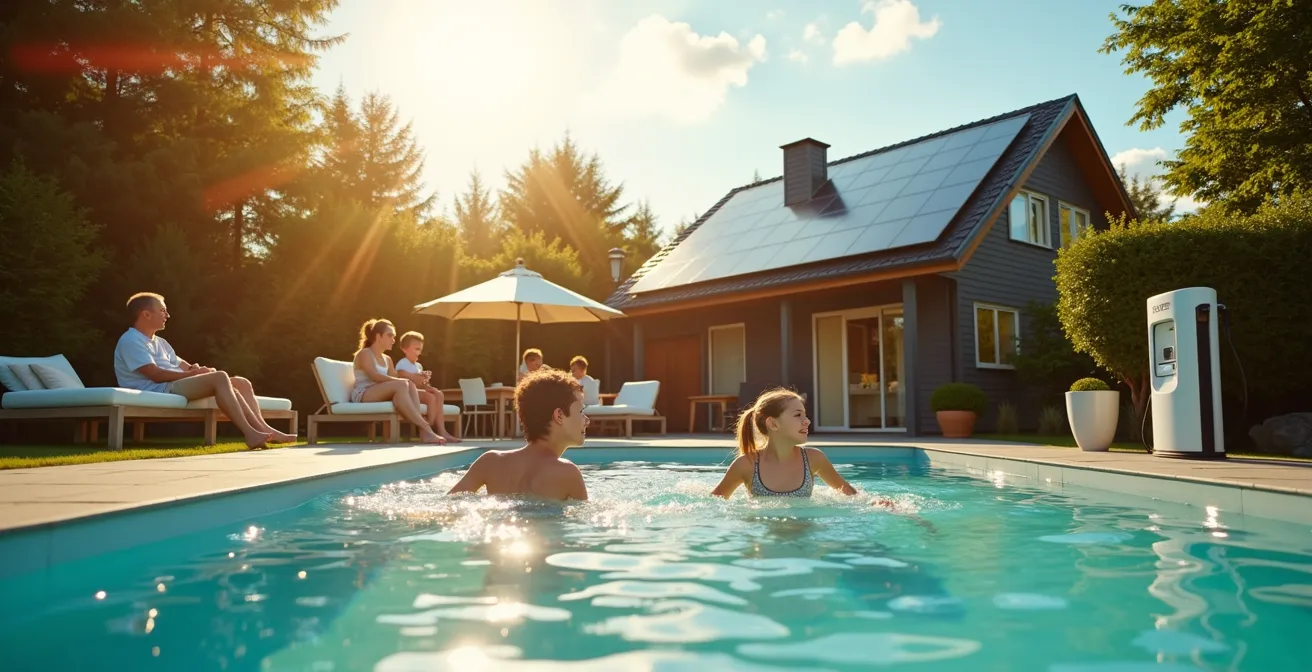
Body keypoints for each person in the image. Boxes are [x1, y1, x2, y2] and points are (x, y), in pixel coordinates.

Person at [113, 292, 295, 450]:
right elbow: (155, 374)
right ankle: (251, 434)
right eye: (162, 311)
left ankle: (265, 430)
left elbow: (182, 364)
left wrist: (197, 370)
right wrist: (192, 375)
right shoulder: (131, 340)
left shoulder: (160, 342)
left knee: (241, 383)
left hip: (173, 384)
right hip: (156, 388)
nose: (167, 315)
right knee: (220, 377)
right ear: (146, 314)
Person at [448, 368, 589, 501]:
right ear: (559, 416)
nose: (587, 421)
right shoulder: (568, 473)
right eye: (581, 412)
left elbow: (448, 502)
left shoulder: (490, 462)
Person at [711, 388, 857, 499]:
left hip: (804, 538)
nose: (807, 421)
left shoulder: (814, 459)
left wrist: (874, 502)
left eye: (805, 415)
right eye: (798, 415)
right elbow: (712, 504)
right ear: (773, 424)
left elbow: (851, 496)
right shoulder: (746, 464)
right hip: (763, 538)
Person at [350, 319, 445, 444]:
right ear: (378, 336)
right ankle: (426, 428)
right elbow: (374, 376)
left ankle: (425, 434)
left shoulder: (387, 359)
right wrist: (403, 381)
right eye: (390, 336)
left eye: (394, 336)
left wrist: (418, 378)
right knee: (403, 384)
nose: (393, 340)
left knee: (408, 384)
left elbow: (397, 380)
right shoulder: (365, 353)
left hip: (381, 391)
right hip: (364, 393)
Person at [394, 331, 459, 442]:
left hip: (418, 390)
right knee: (431, 397)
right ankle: (428, 427)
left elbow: (420, 383)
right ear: (405, 349)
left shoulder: (418, 365)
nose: (418, 352)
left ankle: (442, 431)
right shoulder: (403, 363)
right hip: (409, 393)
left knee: (439, 394)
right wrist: (415, 376)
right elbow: (401, 376)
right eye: (416, 349)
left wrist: (425, 380)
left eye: (420, 349)